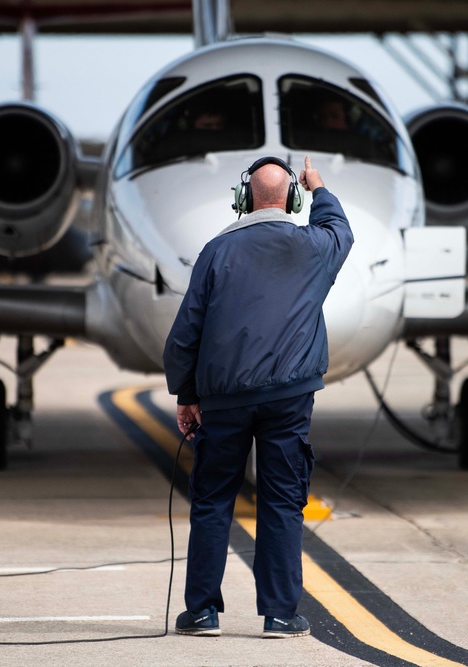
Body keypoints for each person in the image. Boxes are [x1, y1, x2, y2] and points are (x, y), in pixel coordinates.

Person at [163, 155, 353, 639]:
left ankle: (202, 613)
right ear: (292, 198)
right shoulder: (315, 246)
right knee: (283, 502)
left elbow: (186, 333)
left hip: (223, 401)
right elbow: (340, 228)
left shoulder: (215, 250)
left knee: (211, 502)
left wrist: (187, 395)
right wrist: (319, 188)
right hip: (289, 402)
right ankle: (281, 615)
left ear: (243, 198)